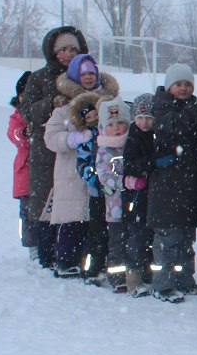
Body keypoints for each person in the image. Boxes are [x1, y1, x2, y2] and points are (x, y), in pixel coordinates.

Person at [43, 53, 119, 278]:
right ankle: (67, 261)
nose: (88, 78)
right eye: (83, 74)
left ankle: (96, 260)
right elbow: (51, 137)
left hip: (103, 167)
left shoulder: (108, 103)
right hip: (71, 172)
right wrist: (72, 139)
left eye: (91, 73)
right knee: (73, 218)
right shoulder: (63, 109)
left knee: (98, 220)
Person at [20, 26, 89, 269]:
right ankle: (45, 249)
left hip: (81, 147)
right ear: (53, 52)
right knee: (47, 199)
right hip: (47, 148)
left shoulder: (86, 74)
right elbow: (27, 110)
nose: (68, 54)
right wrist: (51, 103)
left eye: (73, 49)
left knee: (77, 199)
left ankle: (76, 252)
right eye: (63, 49)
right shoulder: (39, 78)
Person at [145, 64, 197, 303]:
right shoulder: (160, 108)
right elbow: (173, 128)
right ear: (169, 86)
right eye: (179, 84)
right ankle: (162, 283)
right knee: (167, 240)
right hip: (166, 187)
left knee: (186, 239)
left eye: (188, 85)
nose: (184, 89)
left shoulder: (193, 107)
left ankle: (184, 278)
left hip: (187, 186)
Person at [94, 99, 133, 292]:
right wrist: (123, 182)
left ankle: (136, 272)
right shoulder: (104, 149)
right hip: (115, 206)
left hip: (134, 204)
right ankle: (117, 276)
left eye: (120, 123)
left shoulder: (133, 143)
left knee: (135, 240)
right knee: (117, 243)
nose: (116, 128)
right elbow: (104, 174)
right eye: (111, 125)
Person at [121, 94, 157, 296]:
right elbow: (130, 164)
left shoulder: (155, 137)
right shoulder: (133, 137)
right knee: (136, 237)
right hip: (135, 197)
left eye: (149, 118)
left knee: (150, 237)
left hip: (150, 196)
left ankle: (149, 273)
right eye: (141, 117)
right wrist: (149, 165)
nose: (145, 122)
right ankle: (133, 279)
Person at [8, 72, 34, 257]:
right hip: (26, 171)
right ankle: (31, 244)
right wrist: (25, 133)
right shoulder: (17, 117)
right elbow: (15, 135)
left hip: (43, 170)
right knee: (27, 212)